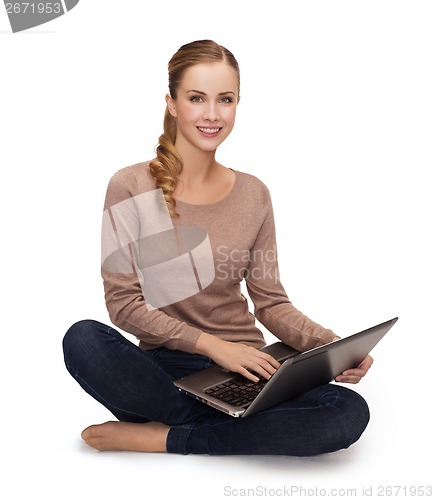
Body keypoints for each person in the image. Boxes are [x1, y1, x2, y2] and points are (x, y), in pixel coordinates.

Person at [62, 39, 373, 455]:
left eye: (225, 99)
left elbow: (271, 303)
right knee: (82, 339)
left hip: (249, 368)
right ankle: (228, 426)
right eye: (196, 98)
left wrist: (330, 347)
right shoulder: (130, 185)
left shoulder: (253, 193)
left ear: (237, 104)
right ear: (172, 103)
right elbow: (123, 305)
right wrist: (211, 346)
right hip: (165, 368)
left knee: (347, 410)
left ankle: (171, 435)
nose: (212, 114)